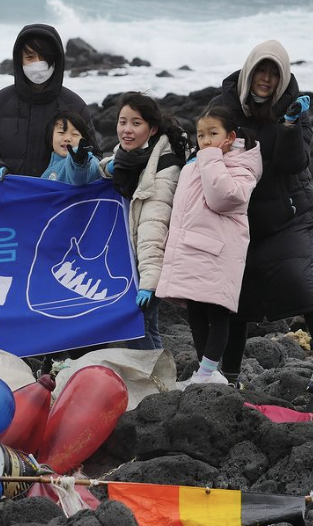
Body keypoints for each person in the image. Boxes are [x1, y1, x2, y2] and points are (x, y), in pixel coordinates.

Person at [213, 39, 313, 392]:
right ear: (249, 70)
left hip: (292, 211)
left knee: (297, 277)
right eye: (261, 69)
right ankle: (229, 379)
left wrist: (288, 125)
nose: (267, 78)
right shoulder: (224, 106)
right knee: (236, 296)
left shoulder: (294, 107)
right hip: (242, 217)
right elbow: (206, 149)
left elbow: (294, 162)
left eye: (275, 72)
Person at [155, 105, 262, 385]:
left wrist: (211, 157)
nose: (205, 141)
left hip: (218, 253)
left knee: (217, 314)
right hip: (192, 251)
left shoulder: (240, 165)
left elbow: (222, 197)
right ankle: (207, 373)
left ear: (230, 136)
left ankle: (208, 371)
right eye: (201, 135)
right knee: (196, 315)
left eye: (213, 134)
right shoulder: (198, 161)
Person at [98, 92, 188, 349]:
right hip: (138, 261)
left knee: (135, 328)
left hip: (154, 262)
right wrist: (104, 168)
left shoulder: (163, 170)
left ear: (152, 129)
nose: (127, 130)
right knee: (148, 325)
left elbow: (154, 227)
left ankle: (152, 384)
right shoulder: (129, 156)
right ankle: (161, 383)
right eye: (122, 122)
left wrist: (148, 283)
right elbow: (113, 165)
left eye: (136, 123)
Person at [0, 24, 94, 179]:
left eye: (44, 57)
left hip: (58, 198)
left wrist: (78, 164)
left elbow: (93, 155)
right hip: (8, 194)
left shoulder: (75, 105)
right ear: (19, 60)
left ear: (56, 60)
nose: (38, 64)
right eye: (30, 57)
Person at [41, 110, 101, 185]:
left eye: (75, 134)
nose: (67, 139)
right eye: (61, 133)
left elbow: (85, 174)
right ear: (50, 139)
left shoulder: (89, 160)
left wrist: (80, 163)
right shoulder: (51, 166)